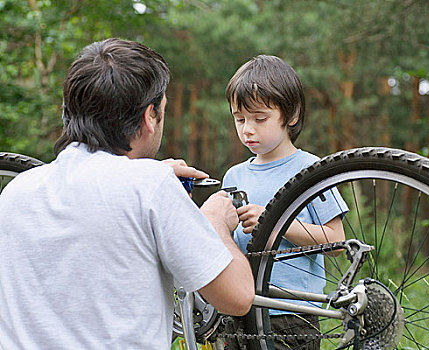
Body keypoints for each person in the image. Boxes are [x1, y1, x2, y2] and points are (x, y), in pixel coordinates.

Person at [0, 38, 254, 349]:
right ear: (150, 117)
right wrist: (215, 222)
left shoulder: (15, 193)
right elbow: (237, 297)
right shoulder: (150, 186)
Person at [222, 55, 348, 349]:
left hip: (293, 315)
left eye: (260, 119)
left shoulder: (311, 170)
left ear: (290, 116)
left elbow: (336, 242)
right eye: (239, 119)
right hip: (241, 310)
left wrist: (274, 223)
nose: (247, 129)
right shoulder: (235, 174)